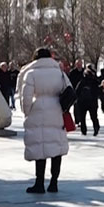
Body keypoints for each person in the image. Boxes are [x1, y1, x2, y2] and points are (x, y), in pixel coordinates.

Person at [19, 48, 70, 194]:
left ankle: (39, 183)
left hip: (38, 110)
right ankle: (54, 182)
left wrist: (27, 111)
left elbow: (26, 97)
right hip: (57, 110)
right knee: (56, 147)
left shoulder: (31, 73)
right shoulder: (59, 73)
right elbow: (69, 89)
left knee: (40, 148)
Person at [74, 65, 102, 137]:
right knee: (94, 117)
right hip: (92, 102)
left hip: (82, 102)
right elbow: (98, 91)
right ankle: (96, 127)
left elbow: (77, 91)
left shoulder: (81, 82)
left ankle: (84, 131)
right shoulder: (94, 81)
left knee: (82, 117)